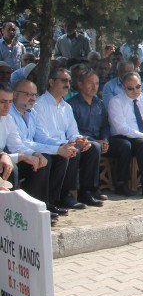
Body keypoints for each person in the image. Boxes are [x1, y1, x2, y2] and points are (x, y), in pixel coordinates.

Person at [32, 67, 101, 210]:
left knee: (93, 147)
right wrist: (67, 144)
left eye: (69, 81)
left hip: (64, 144)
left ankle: (86, 192)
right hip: (47, 146)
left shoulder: (66, 106)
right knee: (71, 152)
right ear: (51, 82)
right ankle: (62, 196)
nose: (67, 84)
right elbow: (41, 137)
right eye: (63, 80)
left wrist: (81, 140)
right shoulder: (39, 104)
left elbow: (73, 132)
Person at [68, 70, 136, 197]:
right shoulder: (72, 105)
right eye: (90, 83)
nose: (94, 87)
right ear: (80, 84)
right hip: (83, 142)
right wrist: (94, 141)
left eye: (97, 83)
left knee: (124, 145)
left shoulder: (99, 103)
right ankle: (90, 189)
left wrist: (105, 139)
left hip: (101, 141)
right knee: (95, 147)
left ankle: (121, 184)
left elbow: (105, 125)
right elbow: (72, 130)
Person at [1, 83, 53, 219]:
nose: (7, 106)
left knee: (40, 161)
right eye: (2, 102)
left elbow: (17, 145)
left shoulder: (7, 119)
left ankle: (34, 210)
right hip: (5, 162)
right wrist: (20, 156)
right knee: (12, 168)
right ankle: (11, 213)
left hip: (6, 158)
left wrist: (34, 154)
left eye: (9, 102)